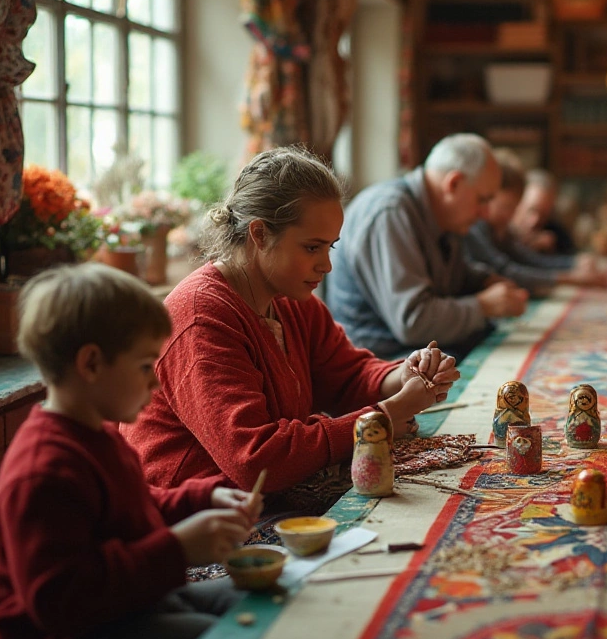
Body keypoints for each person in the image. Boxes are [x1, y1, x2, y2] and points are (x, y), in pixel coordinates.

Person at [0, 264, 263, 639]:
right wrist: (177, 549)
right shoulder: (43, 470)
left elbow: (135, 506)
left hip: (127, 609)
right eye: (143, 366)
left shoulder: (94, 433)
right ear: (91, 363)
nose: (155, 381)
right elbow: (61, 600)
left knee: (267, 604)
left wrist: (202, 495)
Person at [124, 146, 458, 497]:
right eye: (312, 248)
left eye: (330, 247)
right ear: (259, 234)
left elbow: (346, 374)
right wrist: (383, 417)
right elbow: (256, 462)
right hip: (197, 520)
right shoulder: (200, 319)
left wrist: (402, 376)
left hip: (261, 499)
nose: (326, 266)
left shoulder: (291, 301)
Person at [326, 133, 529, 359]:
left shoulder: (442, 215)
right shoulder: (390, 213)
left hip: (423, 353)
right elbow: (413, 322)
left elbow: (449, 278)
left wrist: (483, 281)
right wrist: (484, 306)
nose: (485, 214)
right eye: (482, 200)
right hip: (381, 364)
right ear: (453, 183)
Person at [463, 151, 607, 294]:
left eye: (513, 208)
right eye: (505, 207)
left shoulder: (499, 229)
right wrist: (573, 278)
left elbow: (528, 259)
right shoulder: (475, 226)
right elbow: (505, 272)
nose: (509, 216)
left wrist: (574, 263)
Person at [511, 168, 578, 256]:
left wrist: (550, 250)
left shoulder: (554, 231)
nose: (534, 221)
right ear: (517, 202)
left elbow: (573, 258)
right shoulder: (498, 229)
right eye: (531, 210)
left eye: (544, 215)